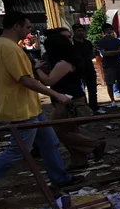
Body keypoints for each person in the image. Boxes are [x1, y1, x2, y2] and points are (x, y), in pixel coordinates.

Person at [0, 11, 78, 188]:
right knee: (17, 151)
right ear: (16, 26)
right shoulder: (9, 48)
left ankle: (60, 178)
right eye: (27, 27)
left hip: (29, 106)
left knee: (50, 142)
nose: (29, 31)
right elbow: (25, 79)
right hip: (21, 109)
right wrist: (57, 95)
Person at [35, 31, 105, 169]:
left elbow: (49, 80)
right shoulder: (68, 60)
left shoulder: (63, 63)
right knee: (71, 130)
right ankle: (79, 161)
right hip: (71, 97)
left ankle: (94, 144)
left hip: (68, 100)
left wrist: (37, 69)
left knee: (59, 131)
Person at [70, 24, 101, 113]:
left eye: (82, 31)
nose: (81, 32)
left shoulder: (87, 43)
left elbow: (91, 53)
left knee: (92, 90)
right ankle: (84, 109)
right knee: (81, 91)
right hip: (77, 70)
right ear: (74, 32)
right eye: (79, 31)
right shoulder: (71, 43)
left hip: (89, 69)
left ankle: (94, 108)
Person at [97, 27, 120, 106]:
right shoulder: (102, 42)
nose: (109, 32)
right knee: (110, 83)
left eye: (110, 30)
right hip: (108, 65)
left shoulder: (117, 40)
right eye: (107, 31)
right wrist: (116, 52)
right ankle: (112, 101)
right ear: (104, 32)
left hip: (118, 63)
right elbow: (104, 53)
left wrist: (109, 52)